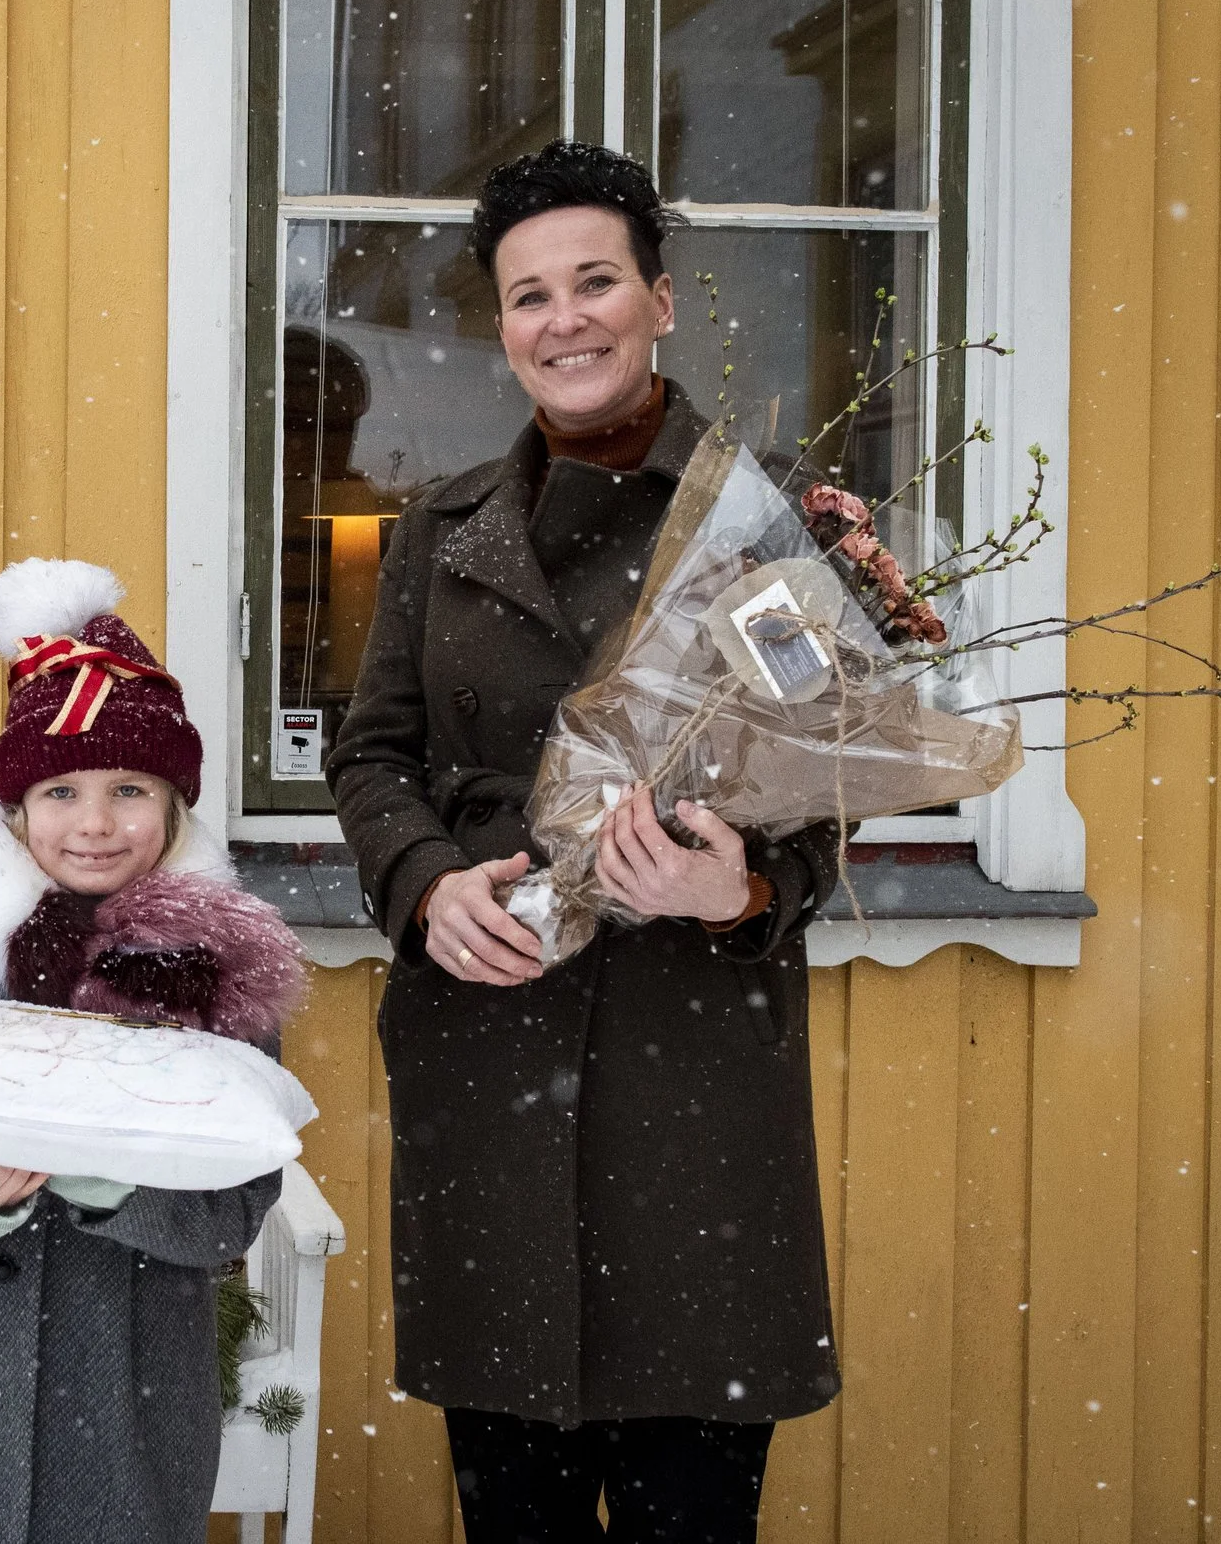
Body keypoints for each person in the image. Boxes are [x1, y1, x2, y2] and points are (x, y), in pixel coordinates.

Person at [325, 140, 845, 1544]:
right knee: (517, 1505)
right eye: (529, 295)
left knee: (690, 1499)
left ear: (660, 299)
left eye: (596, 281)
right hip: (489, 1052)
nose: (566, 320)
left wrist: (736, 887)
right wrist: (427, 887)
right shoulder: (441, 532)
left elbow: (831, 780)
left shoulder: (762, 519)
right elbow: (371, 757)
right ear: (502, 327)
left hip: (693, 1071)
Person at [0, 558, 303, 1544]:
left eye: (129, 789)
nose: (94, 823)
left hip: (133, 1392)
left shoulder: (219, 967)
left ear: (175, 803)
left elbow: (231, 1209)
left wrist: (108, 1178)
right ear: (17, 810)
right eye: (59, 790)